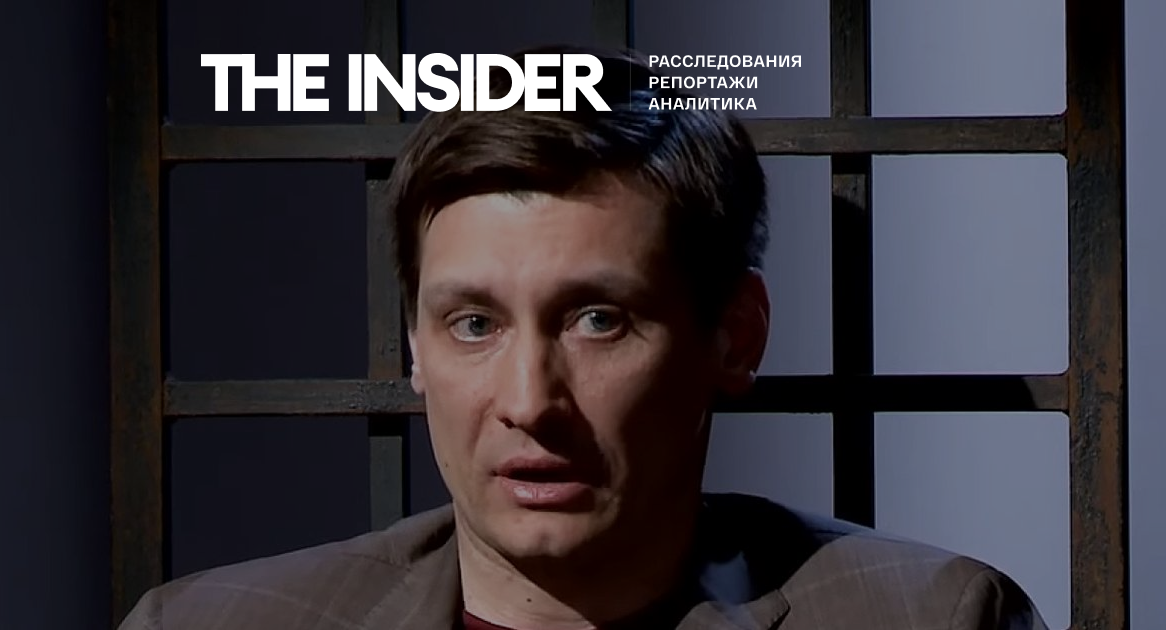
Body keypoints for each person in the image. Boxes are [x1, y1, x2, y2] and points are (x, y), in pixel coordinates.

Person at [118, 46, 1049, 630]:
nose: (530, 402)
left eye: (598, 319)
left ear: (734, 337)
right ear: (414, 347)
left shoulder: (927, 617)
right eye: (474, 324)